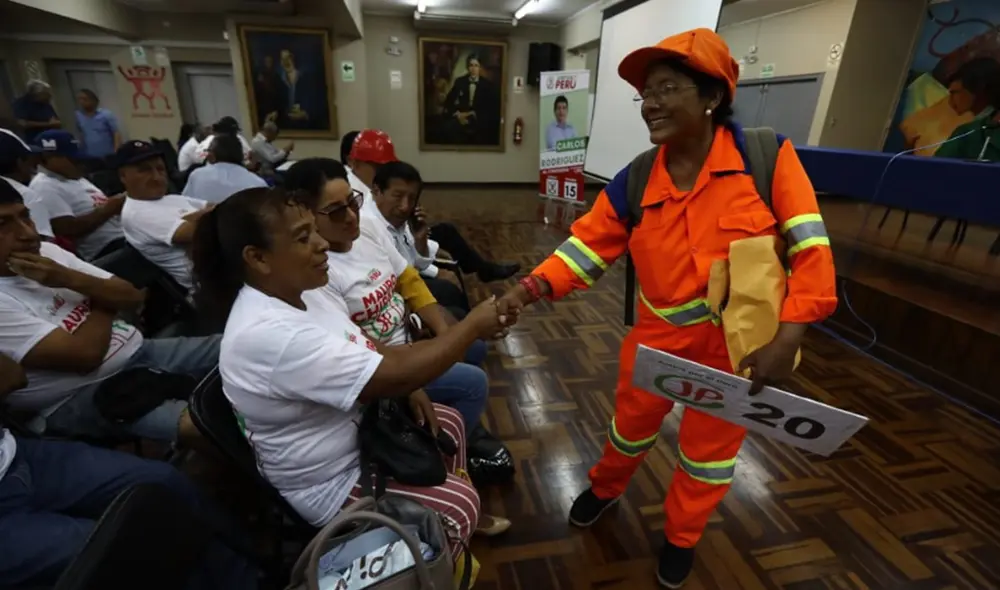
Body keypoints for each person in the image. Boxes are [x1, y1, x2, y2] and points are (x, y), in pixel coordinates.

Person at [495, 29, 837, 588]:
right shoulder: (634, 179)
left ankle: (681, 537)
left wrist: (789, 336)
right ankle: (606, 488)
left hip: (737, 350)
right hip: (656, 342)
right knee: (629, 429)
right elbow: (585, 250)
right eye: (646, 93)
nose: (650, 103)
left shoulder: (767, 159)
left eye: (667, 88)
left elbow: (812, 250)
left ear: (712, 97)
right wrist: (528, 289)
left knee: (709, 456)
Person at [189, 188, 512, 554]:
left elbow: (365, 346)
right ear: (258, 258)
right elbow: (392, 372)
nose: (322, 244)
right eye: (303, 237)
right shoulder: (269, 333)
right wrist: (470, 328)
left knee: (447, 423)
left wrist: (409, 385)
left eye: (314, 230)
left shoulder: (305, 291)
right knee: (463, 505)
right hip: (329, 480)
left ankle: (439, 526)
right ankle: (440, 536)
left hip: (360, 435)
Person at [0, 353, 259, 589]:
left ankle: (249, 575)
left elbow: (12, 375)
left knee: (162, 482)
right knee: (121, 547)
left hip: (17, 456)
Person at [0, 177, 220, 445]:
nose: (28, 233)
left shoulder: (48, 253)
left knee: (245, 347)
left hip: (139, 350)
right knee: (210, 424)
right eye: (3, 224)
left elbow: (131, 295)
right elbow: (86, 355)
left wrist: (67, 278)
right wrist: (101, 294)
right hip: (86, 394)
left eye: (25, 216)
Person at [283, 158, 489, 428]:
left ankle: (448, 426)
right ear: (307, 216)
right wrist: (410, 383)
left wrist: (443, 333)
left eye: (353, 201)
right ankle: (447, 441)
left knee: (475, 347)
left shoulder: (368, 229)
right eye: (335, 211)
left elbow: (409, 280)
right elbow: (355, 345)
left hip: (412, 335)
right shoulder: (317, 272)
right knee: (474, 383)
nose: (351, 216)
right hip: (388, 364)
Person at [345, 131, 519, 311]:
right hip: (388, 285)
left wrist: (420, 242)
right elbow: (396, 268)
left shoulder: (383, 200)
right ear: (353, 163)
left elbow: (407, 252)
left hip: (404, 267)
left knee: (446, 237)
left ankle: (478, 286)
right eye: (377, 166)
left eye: (411, 199)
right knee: (449, 290)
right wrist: (435, 270)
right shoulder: (360, 206)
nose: (405, 206)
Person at [120, 140, 211, 291]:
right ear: (123, 176)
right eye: (145, 170)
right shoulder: (136, 214)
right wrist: (205, 216)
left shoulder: (172, 198)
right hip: (213, 286)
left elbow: (222, 208)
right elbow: (199, 232)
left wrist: (192, 219)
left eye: (160, 169)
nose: (156, 177)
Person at [29, 130, 125, 260]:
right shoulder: (44, 186)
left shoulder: (76, 177)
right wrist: (109, 208)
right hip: (104, 249)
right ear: (48, 157)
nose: (81, 164)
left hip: (122, 236)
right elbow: (67, 229)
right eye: (73, 160)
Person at [934, 57, 1000, 162]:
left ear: (978, 89)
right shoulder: (968, 132)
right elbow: (936, 167)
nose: (950, 101)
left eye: (955, 93)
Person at [0, 127, 53, 239]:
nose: (33, 166)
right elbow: (41, 241)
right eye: (30, 160)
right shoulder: (26, 194)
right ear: (20, 162)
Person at [184, 135, 267, 204]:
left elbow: (184, 205)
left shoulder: (197, 176)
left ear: (212, 156)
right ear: (242, 156)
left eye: (208, 151)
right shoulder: (258, 183)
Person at [442, 54, 500, 146]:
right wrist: (458, 115)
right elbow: (448, 102)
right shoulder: (460, 82)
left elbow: (492, 108)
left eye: (476, 66)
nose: (473, 69)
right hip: (461, 120)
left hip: (479, 121)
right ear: (468, 67)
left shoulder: (488, 85)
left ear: (480, 68)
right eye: (471, 65)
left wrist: (474, 114)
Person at [74, 88, 121, 159]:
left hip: (108, 155)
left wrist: (116, 151)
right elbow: (81, 134)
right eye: (80, 99)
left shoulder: (106, 114)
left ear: (93, 100)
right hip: (89, 156)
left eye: (84, 99)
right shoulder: (79, 116)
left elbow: (116, 133)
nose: (82, 102)